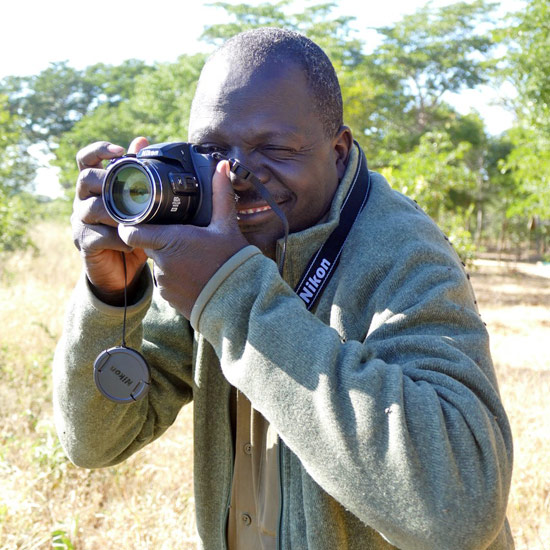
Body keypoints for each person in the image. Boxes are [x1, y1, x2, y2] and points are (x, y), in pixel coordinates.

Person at [53, 27, 514, 550]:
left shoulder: (402, 253)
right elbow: (96, 442)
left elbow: (461, 511)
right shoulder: (210, 240)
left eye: (273, 148)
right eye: (210, 149)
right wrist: (112, 295)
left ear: (338, 151)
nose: (235, 174)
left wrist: (231, 295)